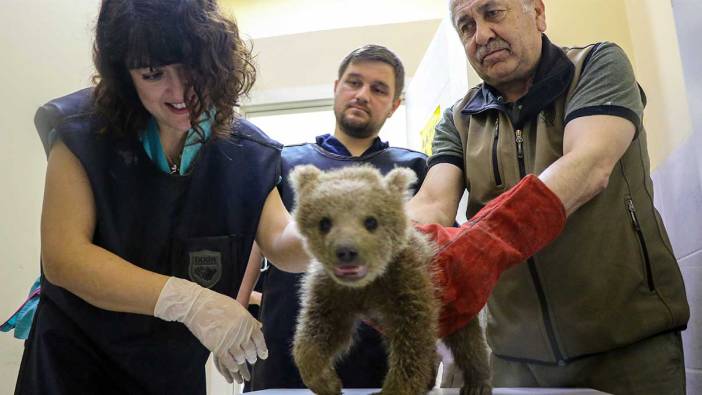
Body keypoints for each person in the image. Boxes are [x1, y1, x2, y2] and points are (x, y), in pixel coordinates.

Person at [14, 1, 310, 393]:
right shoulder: (83, 132)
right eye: (153, 74)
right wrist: (189, 302)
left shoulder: (246, 152)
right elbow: (65, 258)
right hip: (74, 365)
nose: (179, 91)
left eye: (192, 68)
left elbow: (283, 244)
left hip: (169, 372)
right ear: (125, 75)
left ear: (217, 61)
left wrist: (340, 238)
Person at [407, 0, 690, 394]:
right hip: (513, 360)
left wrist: (480, 245)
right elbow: (433, 203)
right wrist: (388, 247)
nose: (482, 35)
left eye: (493, 12)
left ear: (538, 13)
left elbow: (589, 164)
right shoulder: (458, 119)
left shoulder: (597, 64)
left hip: (628, 349)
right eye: (466, 26)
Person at [248, 45, 429, 390]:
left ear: (395, 105)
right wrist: (236, 308)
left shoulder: (413, 169)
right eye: (354, 82)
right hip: (287, 351)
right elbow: (258, 244)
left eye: (379, 89)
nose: (362, 95)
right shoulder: (286, 162)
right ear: (336, 87)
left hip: (382, 357)